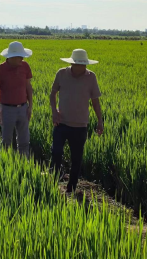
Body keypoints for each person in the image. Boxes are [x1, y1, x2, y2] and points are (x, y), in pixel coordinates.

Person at [49, 49, 103, 193]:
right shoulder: (61, 73)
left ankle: (71, 188)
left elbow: (95, 102)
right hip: (61, 123)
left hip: (80, 125)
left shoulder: (91, 77)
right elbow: (53, 93)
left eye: (84, 64)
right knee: (56, 152)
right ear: (73, 64)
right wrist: (54, 112)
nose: (82, 67)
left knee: (76, 158)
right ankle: (53, 182)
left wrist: (100, 120)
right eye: (79, 64)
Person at [0, 41, 33, 158]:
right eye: (20, 56)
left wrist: (30, 106)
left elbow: (28, 87)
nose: (22, 58)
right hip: (6, 110)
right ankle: (6, 166)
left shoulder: (25, 66)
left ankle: (24, 165)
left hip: (23, 108)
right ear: (11, 57)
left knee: (24, 141)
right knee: (6, 142)